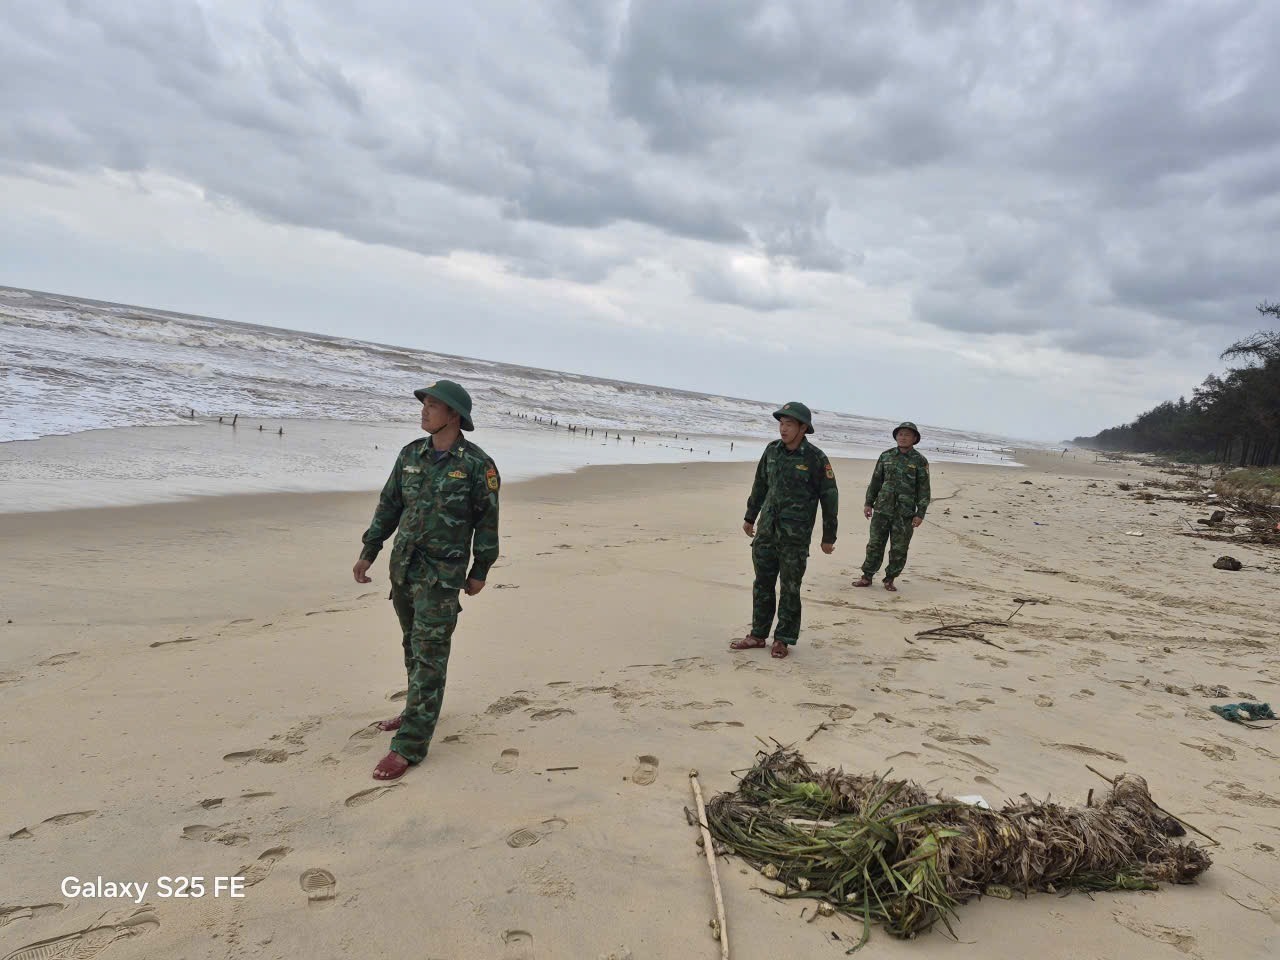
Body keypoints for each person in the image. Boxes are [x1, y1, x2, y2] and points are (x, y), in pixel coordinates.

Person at [353, 380, 500, 781]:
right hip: (404, 568)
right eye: (425, 404)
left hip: (442, 576)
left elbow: (487, 522)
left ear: (453, 415)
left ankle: (410, 746)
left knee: (430, 655)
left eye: (433, 405)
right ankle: (415, 708)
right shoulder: (410, 455)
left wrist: (480, 570)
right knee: (412, 646)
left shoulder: (478, 465)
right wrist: (369, 550)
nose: (424, 410)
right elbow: (389, 506)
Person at [730, 402, 838, 659]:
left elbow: (829, 497)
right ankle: (758, 634)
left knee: (790, 588)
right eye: (781, 423)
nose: (783, 428)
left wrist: (828, 536)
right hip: (766, 532)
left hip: (795, 538)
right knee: (762, 584)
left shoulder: (816, 458)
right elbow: (760, 484)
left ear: (803, 428)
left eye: (789, 424)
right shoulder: (772, 451)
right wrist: (750, 516)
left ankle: (783, 639)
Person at [855, 422, 930, 592]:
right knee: (875, 544)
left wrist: (920, 514)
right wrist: (868, 503)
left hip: (905, 513)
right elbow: (876, 481)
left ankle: (890, 579)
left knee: (899, 548)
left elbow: (924, 489)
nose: (903, 437)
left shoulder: (920, 461)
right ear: (896, 437)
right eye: (900, 434)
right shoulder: (886, 456)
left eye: (907, 435)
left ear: (914, 438)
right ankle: (867, 577)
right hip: (882, 509)